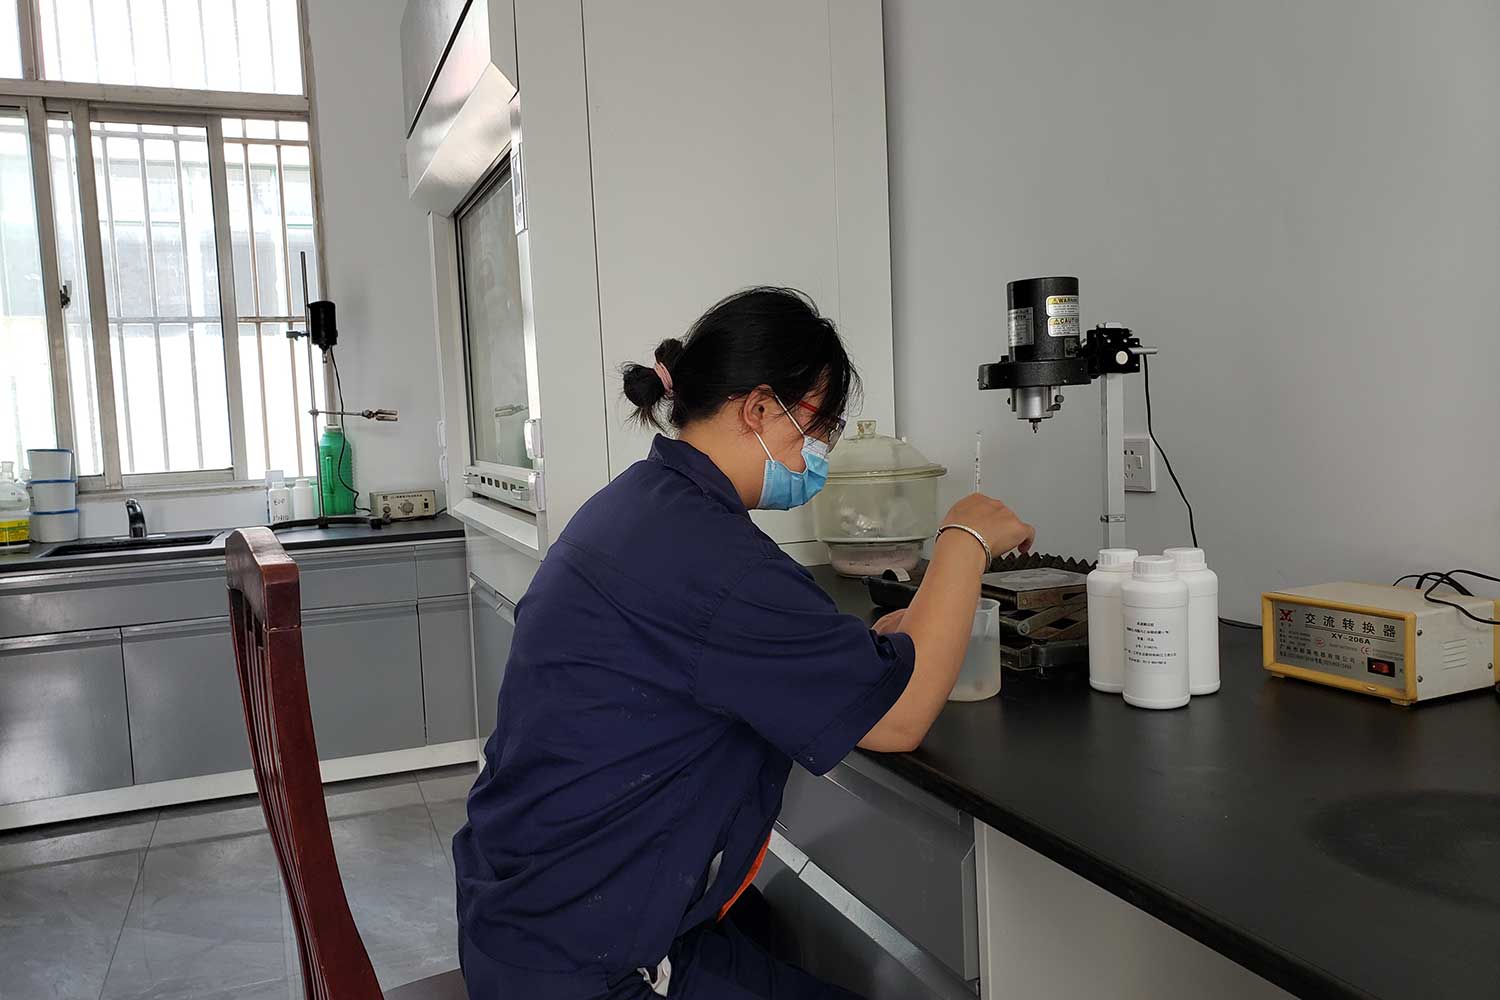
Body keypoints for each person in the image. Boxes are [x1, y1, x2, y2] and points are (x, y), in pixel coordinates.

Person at [453, 287, 1034, 999]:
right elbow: (899, 718)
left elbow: (721, 644)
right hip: (590, 965)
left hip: (529, 910)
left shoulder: (643, 503)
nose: (820, 453)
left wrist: (866, 649)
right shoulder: (719, 562)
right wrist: (965, 537)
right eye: (818, 426)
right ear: (758, 408)